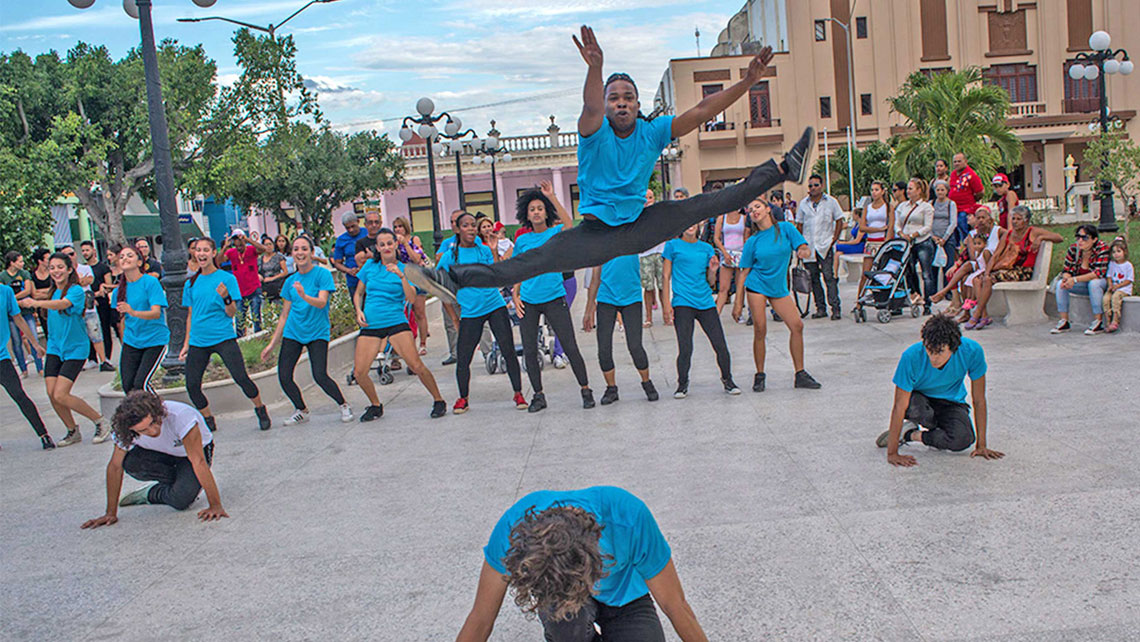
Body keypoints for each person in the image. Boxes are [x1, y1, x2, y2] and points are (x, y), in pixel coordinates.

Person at [408, 27, 814, 306]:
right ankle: (451, 278)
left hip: (641, 226)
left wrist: (746, 84)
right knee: (527, 263)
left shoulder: (652, 132)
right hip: (595, 235)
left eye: (628, 97)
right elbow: (589, 106)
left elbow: (701, 110)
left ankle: (784, 167)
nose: (621, 103)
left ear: (638, 104)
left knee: (709, 203)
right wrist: (595, 68)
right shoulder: (595, 131)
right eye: (614, 97)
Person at [456, 486, 708, 642]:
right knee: (566, 628)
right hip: (557, 597)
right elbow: (480, 620)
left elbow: (675, 605)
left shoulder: (629, 516)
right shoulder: (513, 533)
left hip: (626, 597)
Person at [82, 391, 227, 529]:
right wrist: (110, 513)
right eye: (143, 431)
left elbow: (198, 461)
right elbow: (115, 467)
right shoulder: (125, 431)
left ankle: (152, 493)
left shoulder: (180, 416)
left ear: (157, 413)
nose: (153, 431)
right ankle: (179, 483)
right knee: (131, 463)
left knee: (181, 500)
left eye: (153, 423)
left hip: (189, 454)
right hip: (162, 453)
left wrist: (215, 505)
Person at [510, 182, 595, 412]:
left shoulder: (555, 234)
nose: (536, 212)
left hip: (554, 297)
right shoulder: (522, 241)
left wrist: (552, 197)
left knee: (569, 345)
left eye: (540, 208)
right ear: (526, 215)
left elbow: (569, 224)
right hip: (528, 301)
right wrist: (515, 294)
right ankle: (538, 395)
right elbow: (518, 268)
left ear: (546, 212)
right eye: (532, 209)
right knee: (529, 350)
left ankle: (586, 389)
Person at [877, 315, 1004, 467]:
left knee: (963, 439)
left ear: (953, 347)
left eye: (940, 352)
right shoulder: (911, 356)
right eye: (929, 350)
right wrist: (892, 454)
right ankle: (917, 429)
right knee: (917, 408)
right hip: (919, 400)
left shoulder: (972, 351)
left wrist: (981, 445)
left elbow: (979, 400)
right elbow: (899, 406)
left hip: (951, 402)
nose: (933, 357)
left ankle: (909, 434)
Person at [350, 229, 447, 421]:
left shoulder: (405, 269)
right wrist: (358, 310)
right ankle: (376, 405)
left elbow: (411, 298)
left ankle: (438, 400)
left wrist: (401, 277)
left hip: (395, 322)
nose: (386, 247)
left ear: (396, 244)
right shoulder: (370, 266)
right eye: (382, 244)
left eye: (389, 243)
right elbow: (359, 292)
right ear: (377, 247)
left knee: (416, 365)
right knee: (359, 372)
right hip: (371, 325)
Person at [260, 236, 355, 425]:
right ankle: (301, 410)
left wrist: (303, 295)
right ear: (292, 254)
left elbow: (321, 303)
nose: (300, 253)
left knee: (320, 375)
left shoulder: (322, 275)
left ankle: (343, 404)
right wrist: (272, 344)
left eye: (304, 249)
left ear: (312, 253)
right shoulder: (290, 281)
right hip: (294, 332)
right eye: (296, 249)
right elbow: (284, 315)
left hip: (317, 332)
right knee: (284, 376)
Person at [436, 213, 525, 414]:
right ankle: (463, 399)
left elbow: (495, 275)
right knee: (463, 357)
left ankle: (518, 393)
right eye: (465, 225)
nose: (471, 229)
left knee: (508, 350)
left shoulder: (483, 250)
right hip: (470, 312)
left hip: (494, 306)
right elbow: (442, 290)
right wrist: (454, 318)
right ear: (457, 229)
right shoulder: (450, 256)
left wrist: (493, 252)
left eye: (473, 225)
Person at [18, 252, 110, 446]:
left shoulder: (75, 291)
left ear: (69, 270)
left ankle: (100, 421)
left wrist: (36, 303)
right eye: (52, 268)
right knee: (52, 393)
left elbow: (63, 304)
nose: (56, 271)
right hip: (54, 348)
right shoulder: (52, 292)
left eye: (60, 267)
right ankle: (72, 430)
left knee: (61, 394)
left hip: (75, 349)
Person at [179, 238, 271, 432]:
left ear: (213, 253)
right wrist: (186, 343)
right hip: (198, 340)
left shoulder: (227, 279)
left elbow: (232, 312)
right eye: (198, 250)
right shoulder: (191, 283)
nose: (201, 254)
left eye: (205, 250)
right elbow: (190, 315)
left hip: (222, 337)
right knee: (192, 385)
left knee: (241, 377)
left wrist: (226, 297)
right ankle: (208, 418)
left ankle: (260, 408)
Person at [732, 197, 821, 392]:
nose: (754, 211)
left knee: (797, 326)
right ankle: (760, 374)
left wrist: (803, 250)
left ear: (767, 209)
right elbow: (743, 272)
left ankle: (800, 374)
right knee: (760, 329)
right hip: (757, 285)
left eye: (757, 206)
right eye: (750, 209)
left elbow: (801, 245)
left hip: (779, 287)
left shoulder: (785, 229)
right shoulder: (752, 241)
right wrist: (738, 302)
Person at [663, 222, 740, 398]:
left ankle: (728, 380)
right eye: (687, 223)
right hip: (682, 302)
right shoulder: (672, 246)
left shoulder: (706, 248)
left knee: (720, 344)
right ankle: (682, 384)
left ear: (699, 227)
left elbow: (711, 281)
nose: (690, 226)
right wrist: (667, 304)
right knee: (685, 347)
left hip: (705, 301)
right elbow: (666, 276)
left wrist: (713, 270)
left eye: (694, 223)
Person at [965, 205, 1063, 328]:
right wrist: (987, 272)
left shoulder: (1032, 231)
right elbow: (995, 256)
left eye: (1018, 219)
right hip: (1008, 269)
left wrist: (1041, 237)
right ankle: (984, 315)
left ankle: (977, 314)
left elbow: (1059, 238)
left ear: (1026, 220)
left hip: (1024, 271)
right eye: (1013, 219)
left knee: (988, 280)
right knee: (978, 279)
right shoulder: (1009, 234)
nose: (1015, 222)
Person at [584, 253, 659, 405]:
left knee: (635, 346)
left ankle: (647, 382)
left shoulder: (631, 239)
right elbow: (595, 279)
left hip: (631, 298)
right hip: (606, 298)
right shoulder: (602, 245)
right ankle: (611, 388)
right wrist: (589, 309)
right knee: (604, 348)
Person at [112, 244, 169, 393]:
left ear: (139, 262)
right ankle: (141, 415)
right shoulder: (118, 291)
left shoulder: (150, 282)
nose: (125, 258)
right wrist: (124, 341)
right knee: (128, 387)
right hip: (132, 342)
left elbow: (156, 313)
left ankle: (160, 413)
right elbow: (121, 320)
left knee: (141, 384)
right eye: (122, 256)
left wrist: (133, 311)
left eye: (130, 255)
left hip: (154, 340)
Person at [1, 283, 52, 448]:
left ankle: (43, 434)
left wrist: (35, 344)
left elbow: (19, 319)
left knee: (18, 394)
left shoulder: (6, 292)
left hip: (2, 358)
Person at [795, 174, 844, 320]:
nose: (813, 188)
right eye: (810, 186)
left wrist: (834, 239)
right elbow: (799, 225)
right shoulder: (803, 204)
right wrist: (800, 245)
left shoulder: (831, 202)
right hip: (809, 246)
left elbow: (839, 220)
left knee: (829, 277)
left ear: (821, 186)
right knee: (814, 279)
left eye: (816, 185)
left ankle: (835, 308)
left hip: (825, 245)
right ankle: (820, 308)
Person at [1050, 224, 1111, 335]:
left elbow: (1099, 273)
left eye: (1085, 237)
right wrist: (1067, 279)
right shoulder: (1074, 249)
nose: (1080, 241)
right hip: (1082, 284)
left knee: (1094, 283)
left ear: (1094, 239)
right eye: (1078, 237)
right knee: (1060, 285)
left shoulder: (1101, 248)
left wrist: (1075, 279)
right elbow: (1067, 269)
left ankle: (1098, 321)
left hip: (1100, 283)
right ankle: (1064, 321)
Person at [894, 177, 936, 314]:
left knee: (926, 273)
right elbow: (897, 223)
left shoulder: (926, 207)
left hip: (922, 242)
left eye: (911, 189)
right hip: (907, 243)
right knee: (908, 271)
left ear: (919, 190)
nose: (908, 192)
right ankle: (916, 294)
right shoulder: (902, 206)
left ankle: (928, 303)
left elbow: (928, 226)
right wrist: (900, 232)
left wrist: (914, 235)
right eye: (908, 189)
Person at [221, 229, 273, 336]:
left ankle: (259, 337)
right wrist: (225, 246)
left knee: (256, 316)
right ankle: (240, 339)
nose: (238, 242)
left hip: (254, 288)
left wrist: (248, 239)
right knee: (240, 319)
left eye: (240, 239)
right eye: (236, 240)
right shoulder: (231, 253)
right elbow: (219, 261)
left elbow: (263, 249)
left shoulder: (251, 250)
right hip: (239, 291)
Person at [393, 216, 432, 356]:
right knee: (405, 313)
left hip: (417, 277)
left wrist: (405, 244)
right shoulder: (393, 242)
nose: (398, 229)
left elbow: (416, 259)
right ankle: (409, 344)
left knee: (419, 312)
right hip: (403, 279)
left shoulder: (413, 240)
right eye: (395, 227)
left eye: (400, 226)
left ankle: (422, 344)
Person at [75, 242, 114, 372]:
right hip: (87, 302)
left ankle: (106, 357)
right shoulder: (82, 268)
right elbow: (79, 283)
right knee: (88, 333)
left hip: (101, 302)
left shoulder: (102, 267)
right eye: (83, 250)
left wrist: (97, 293)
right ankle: (92, 358)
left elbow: (102, 284)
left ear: (93, 250)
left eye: (87, 250)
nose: (85, 253)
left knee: (103, 330)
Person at [2, 251, 42, 376]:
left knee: (33, 337)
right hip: (11, 314)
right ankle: (23, 369)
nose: (22, 263)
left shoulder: (24, 274)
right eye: (20, 261)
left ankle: (40, 367)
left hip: (26, 310)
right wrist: (14, 301)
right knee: (16, 341)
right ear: (12, 263)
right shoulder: (3, 276)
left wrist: (12, 299)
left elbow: (28, 290)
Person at [855, 181, 894, 301]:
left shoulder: (888, 207)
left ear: (882, 191)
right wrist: (877, 229)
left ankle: (884, 298)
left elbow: (890, 227)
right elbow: (862, 227)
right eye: (872, 190)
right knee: (865, 273)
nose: (874, 193)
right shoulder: (867, 208)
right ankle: (859, 299)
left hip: (883, 241)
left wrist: (886, 243)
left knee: (883, 273)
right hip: (871, 242)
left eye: (877, 190)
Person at [635, 189, 668, 327]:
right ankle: (648, 318)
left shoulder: (659, 214)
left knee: (663, 286)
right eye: (645, 198)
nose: (648, 200)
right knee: (648, 288)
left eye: (650, 197)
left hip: (660, 252)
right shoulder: (637, 215)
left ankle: (667, 315)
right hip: (645, 254)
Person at [713, 202, 749, 313]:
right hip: (727, 252)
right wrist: (724, 252)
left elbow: (746, 237)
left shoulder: (744, 218)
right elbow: (716, 238)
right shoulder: (722, 218)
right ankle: (717, 312)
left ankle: (738, 311)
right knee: (724, 287)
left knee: (740, 286)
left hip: (740, 252)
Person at [332, 211, 370, 298]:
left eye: (353, 226)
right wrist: (349, 270)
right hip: (353, 281)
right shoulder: (341, 240)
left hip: (370, 278)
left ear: (358, 221)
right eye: (347, 228)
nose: (351, 230)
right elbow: (337, 262)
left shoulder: (367, 233)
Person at [948, 153, 984, 242]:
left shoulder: (971, 175)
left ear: (965, 161)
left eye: (959, 161)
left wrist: (971, 200)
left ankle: (968, 248)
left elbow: (980, 192)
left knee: (963, 229)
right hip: (953, 209)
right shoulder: (953, 174)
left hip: (965, 209)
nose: (956, 164)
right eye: (955, 162)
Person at [930, 179, 959, 287]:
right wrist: (933, 236)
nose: (940, 192)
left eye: (942, 190)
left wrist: (944, 238)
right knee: (933, 266)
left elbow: (953, 222)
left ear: (947, 191)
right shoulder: (931, 203)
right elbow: (928, 220)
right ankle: (933, 291)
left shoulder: (951, 204)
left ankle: (948, 290)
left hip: (947, 238)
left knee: (948, 265)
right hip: (934, 238)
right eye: (938, 190)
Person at [1102, 238, 1133, 334]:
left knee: (1115, 298)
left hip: (1124, 289)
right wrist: (1111, 285)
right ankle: (1108, 320)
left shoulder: (1128, 265)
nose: (1116, 254)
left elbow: (1129, 280)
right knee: (1106, 298)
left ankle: (1115, 320)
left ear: (1125, 252)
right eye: (1114, 252)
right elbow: (1109, 276)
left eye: (1119, 251)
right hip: (1114, 288)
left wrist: (1118, 286)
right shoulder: (1112, 264)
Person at [29, 248, 53, 341]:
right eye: (47, 259)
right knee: (48, 333)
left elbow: (56, 290)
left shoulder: (52, 273)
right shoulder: (33, 276)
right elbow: (34, 295)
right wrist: (49, 291)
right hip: (42, 309)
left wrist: (41, 291)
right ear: (40, 261)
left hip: (54, 305)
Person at [259, 235, 289, 301]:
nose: (268, 246)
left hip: (276, 285)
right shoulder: (260, 258)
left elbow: (285, 272)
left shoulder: (279, 257)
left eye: (270, 244)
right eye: (266, 244)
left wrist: (272, 278)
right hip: (265, 287)